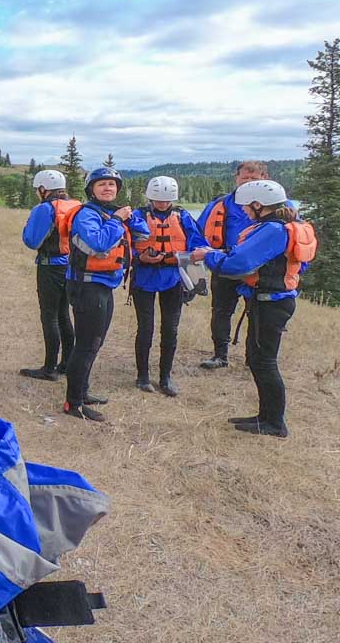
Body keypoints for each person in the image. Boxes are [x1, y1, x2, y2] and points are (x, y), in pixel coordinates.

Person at [193, 180, 315, 438]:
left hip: (270, 303)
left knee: (264, 362)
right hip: (274, 300)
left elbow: (238, 263)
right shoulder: (287, 226)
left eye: (248, 208)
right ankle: (266, 416)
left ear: (259, 205)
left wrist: (208, 256)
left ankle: (275, 423)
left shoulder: (273, 229)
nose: (245, 212)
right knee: (258, 359)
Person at [62, 167, 150, 423]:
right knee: (86, 346)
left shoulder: (113, 213)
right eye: (102, 184)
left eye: (112, 185)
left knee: (94, 343)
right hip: (86, 287)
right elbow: (98, 243)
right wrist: (118, 220)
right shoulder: (86, 215)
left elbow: (144, 235)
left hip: (103, 287)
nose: (108, 188)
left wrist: (127, 217)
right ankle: (73, 403)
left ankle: (83, 391)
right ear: (91, 189)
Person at [130, 176, 208, 397]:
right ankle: (142, 376)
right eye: (157, 200)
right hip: (144, 277)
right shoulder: (138, 216)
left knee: (170, 329)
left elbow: (197, 244)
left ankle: (165, 377)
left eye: (166, 200)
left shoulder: (183, 217)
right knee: (146, 328)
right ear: (150, 197)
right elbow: (126, 243)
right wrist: (141, 256)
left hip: (173, 278)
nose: (162, 204)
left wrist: (180, 258)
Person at [196, 161, 270, 369]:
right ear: (236, 179)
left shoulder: (278, 209)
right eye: (244, 178)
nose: (248, 182)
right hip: (225, 264)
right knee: (221, 310)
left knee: (257, 314)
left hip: (260, 269)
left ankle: (253, 358)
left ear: (265, 179)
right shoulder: (220, 204)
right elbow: (198, 233)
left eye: (253, 179)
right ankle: (220, 355)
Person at [19, 169, 78, 381]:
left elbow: (32, 240)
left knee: (50, 316)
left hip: (50, 267)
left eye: (38, 189)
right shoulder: (75, 205)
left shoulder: (45, 208)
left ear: (43, 189)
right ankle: (67, 363)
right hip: (71, 267)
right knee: (64, 315)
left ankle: (49, 368)